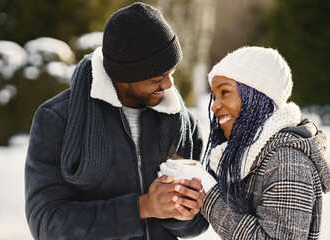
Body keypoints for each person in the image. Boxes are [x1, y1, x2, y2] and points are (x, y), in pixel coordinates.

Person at [24, 2, 209, 240]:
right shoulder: (57, 119)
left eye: (171, 72)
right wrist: (141, 208)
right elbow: (46, 224)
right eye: (157, 78)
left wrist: (184, 214)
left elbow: (200, 221)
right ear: (124, 76)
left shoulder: (183, 124)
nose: (168, 85)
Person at [160, 46, 330, 239]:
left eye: (225, 92)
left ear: (257, 95)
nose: (215, 106)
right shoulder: (251, 156)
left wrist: (208, 192)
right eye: (214, 96)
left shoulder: (287, 158)